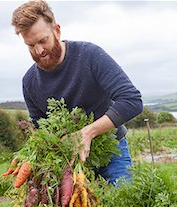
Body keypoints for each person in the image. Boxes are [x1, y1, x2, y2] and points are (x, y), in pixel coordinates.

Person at [11, 0, 143, 184]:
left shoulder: (90, 56)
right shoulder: (30, 82)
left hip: (112, 152)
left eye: (43, 41)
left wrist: (88, 132)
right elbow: (40, 129)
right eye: (31, 45)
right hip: (69, 161)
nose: (39, 51)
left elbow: (132, 101)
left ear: (56, 30)